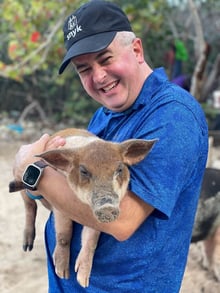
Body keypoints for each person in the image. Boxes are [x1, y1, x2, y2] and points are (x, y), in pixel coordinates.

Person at [12, 1, 208, 292]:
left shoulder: (173, 115)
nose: (99, 76)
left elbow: (121, 220)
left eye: (105, 59)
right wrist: (41, 183)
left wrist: (32, 170)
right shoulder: (105, 115)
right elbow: (67, 200)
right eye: (84, 69)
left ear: (137, 50)